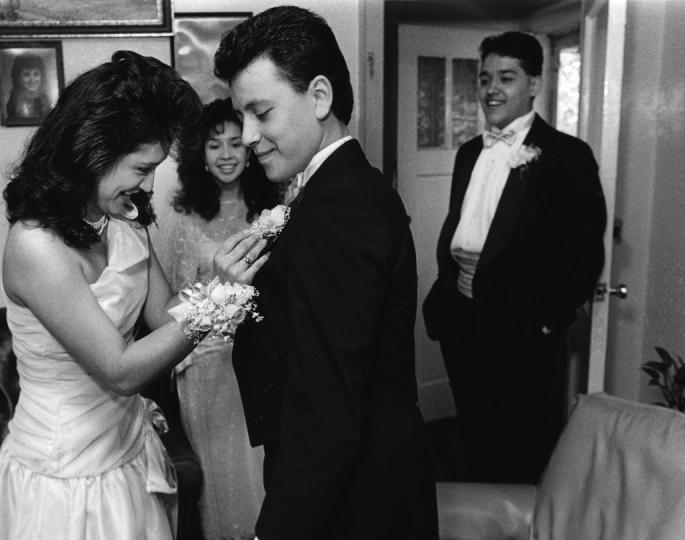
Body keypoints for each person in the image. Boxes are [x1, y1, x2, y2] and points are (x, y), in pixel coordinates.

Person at [0, 50, 263, 539]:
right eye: (140, 167)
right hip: (62, 483)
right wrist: (220, 302)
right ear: (94, 151)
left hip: (126, 456)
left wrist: (222, 282)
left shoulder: (124, 218)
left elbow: (165, 313)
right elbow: (121, 369)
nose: (149, 183)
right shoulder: (34, 246)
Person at [212, 6, 439, 539]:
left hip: (355, 503)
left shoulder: (341, 208)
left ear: (319, 96)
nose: (246, 135)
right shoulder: (330, 192)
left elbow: (328, 409)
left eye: (260, 113)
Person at [422, 32, 607, 484]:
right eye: (485, 78)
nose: (491, 90)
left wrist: (548, 321)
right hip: (462, 322)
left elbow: (584, 254)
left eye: (506, 77)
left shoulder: (567, 156)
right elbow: (462, 230)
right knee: (476, 436)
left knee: (522, 446)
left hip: (522, 332)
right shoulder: (470, 152)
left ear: (534, 84)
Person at [164, 97, 280, 540]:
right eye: (216, 146)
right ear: (202, 155)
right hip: (208, 362)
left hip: (263, 354)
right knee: (221, 478)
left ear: (251, 149)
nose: (228, 154)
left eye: (236, 143)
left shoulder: (272, 212)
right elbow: (175, 301)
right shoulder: (187, 223)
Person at [5, 53, 49, 122]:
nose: (32, 80)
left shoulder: (47, 101)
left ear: (42, 76)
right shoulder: (13, 103)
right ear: (18, 78)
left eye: (36, 74)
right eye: (27, 74)